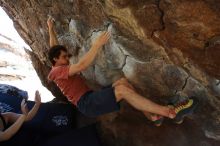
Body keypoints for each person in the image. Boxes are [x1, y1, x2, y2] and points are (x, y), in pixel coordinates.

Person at [47, 17, 197, 126]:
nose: (68, 59)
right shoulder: (56, 72)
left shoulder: (57, 66)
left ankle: (153, 116)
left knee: (122, 82)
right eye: (64, 57)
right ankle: (170, 112)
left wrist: (50, 28)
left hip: (89, 98)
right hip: (86, 104)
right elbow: (81, 66)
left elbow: (53, 48)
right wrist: (97, 44)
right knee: (122, 91)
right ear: (55, 60)